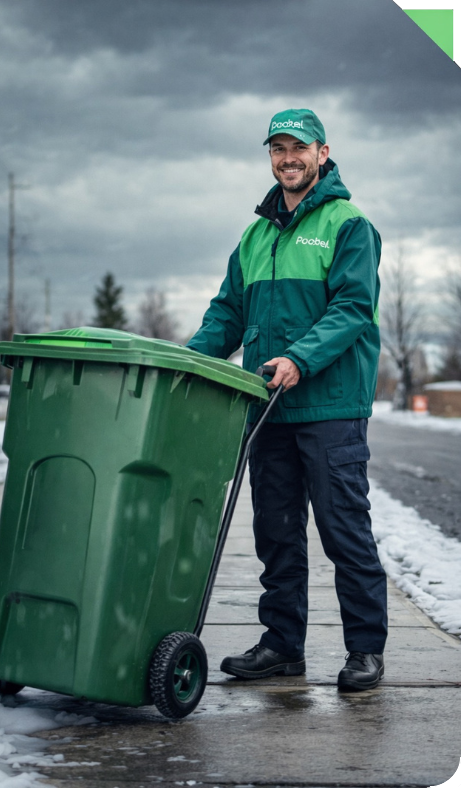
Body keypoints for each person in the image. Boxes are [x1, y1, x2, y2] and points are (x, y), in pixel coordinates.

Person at [187, 108, 387, 692]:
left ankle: (365, 649)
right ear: (270, 157)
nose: (287, 157)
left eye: (298, 147)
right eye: (277, 148)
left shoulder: (349, 225)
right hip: (266, 406)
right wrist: (193, 361)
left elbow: (352, 308)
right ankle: (281, 645)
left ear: (323, 153)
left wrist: (300, 357)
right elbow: (227, 311)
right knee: (275, 531)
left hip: (330, 408)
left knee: (343, 528)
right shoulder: (254, 235)